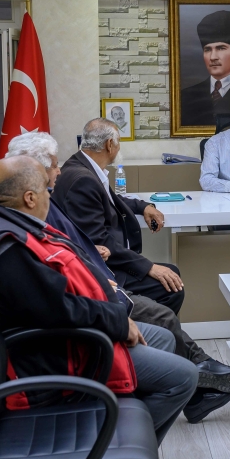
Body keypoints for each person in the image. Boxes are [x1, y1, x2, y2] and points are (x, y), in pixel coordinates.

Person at [7, 132, 230, 422]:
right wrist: (103, 277)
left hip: (97, 276)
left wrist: (140, 209)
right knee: (163, 314)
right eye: (52, 165)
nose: (58, 170)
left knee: (170, 287)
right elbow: (59, 277)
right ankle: (199, 373)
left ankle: (193, 378)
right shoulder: (56, 196)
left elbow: (104, 212)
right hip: (96, 293)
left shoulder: (54, 191)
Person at [0, 156, 198, 447]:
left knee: (164, 338)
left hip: (64, 335)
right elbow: (58, 310)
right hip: (59, 352)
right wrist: (118, 320)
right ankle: (119, 455)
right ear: (30, 198)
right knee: (184, 377)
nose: (50, 195)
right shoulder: (10, 249)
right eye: (46, 190)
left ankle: (123, 431)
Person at [53, 118, 182, 313]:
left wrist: (143, 207)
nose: (119, 147)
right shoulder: (83, 180)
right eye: (118, 141)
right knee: (172, 288)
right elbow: (99, 242)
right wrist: (148, 267)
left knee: (172, 274)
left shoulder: (79, 165)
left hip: (105, 260)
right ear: (109, 145)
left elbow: (109, 201)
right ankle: (138, 325)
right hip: (104, 270)